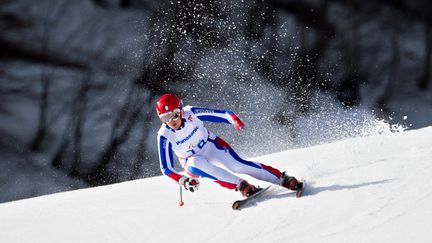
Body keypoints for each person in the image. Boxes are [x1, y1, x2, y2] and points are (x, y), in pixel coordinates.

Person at [156, 93, 303, 198]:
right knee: (196, 163)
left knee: (237, 165)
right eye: (165, 117)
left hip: (210, 145)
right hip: (191, 162)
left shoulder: (191, 113)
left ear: (181, 110)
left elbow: (223, 114)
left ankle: (283, 179)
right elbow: (166, 168)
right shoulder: (164, 135)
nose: (171, 121)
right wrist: (183, 180)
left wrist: (234, 120)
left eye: (174, 114)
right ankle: (242, 186)